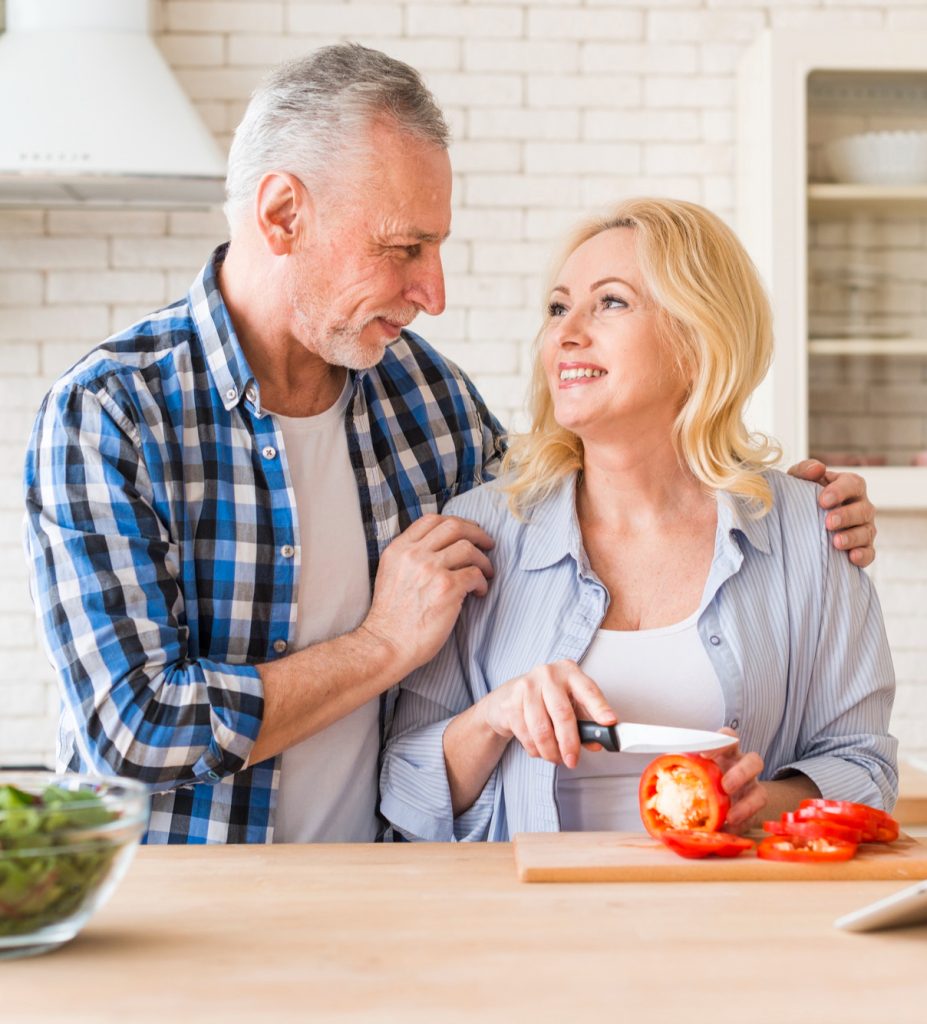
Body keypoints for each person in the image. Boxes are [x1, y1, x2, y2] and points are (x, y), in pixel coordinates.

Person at [23, 45, 875, 845]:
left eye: (436, 247)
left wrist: (795, 506)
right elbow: (129, 732)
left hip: (385, 902)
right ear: (283, 215)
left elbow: (581, 496)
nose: (431, 291)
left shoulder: (426, 402)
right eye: (404, 249)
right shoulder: (112, 414)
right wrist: (381, 645)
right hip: (183, 915)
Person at [380, 198, 896, 844]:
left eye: (611, 302)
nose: (566, 333)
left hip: (733, 925)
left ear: (696, 336)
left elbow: (863, 763)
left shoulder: (809, 530)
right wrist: (495, 718)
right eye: (558, 308)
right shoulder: (481, 535)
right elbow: (403, 792)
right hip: (528, 927)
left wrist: (760, 804)